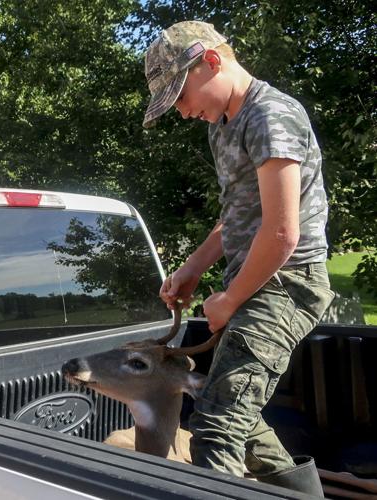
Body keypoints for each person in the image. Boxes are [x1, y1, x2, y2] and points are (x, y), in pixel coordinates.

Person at [144, 21, 334, 495]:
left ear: (211, 61)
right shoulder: (223, 127)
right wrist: (192, 269)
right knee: (235, 416)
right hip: (256, 280)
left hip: (288, 283)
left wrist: (228, 300)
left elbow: (283, 232)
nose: (183, 112)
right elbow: (237, 219)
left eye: (181, 95)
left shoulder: (271, 115)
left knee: (214, 429)